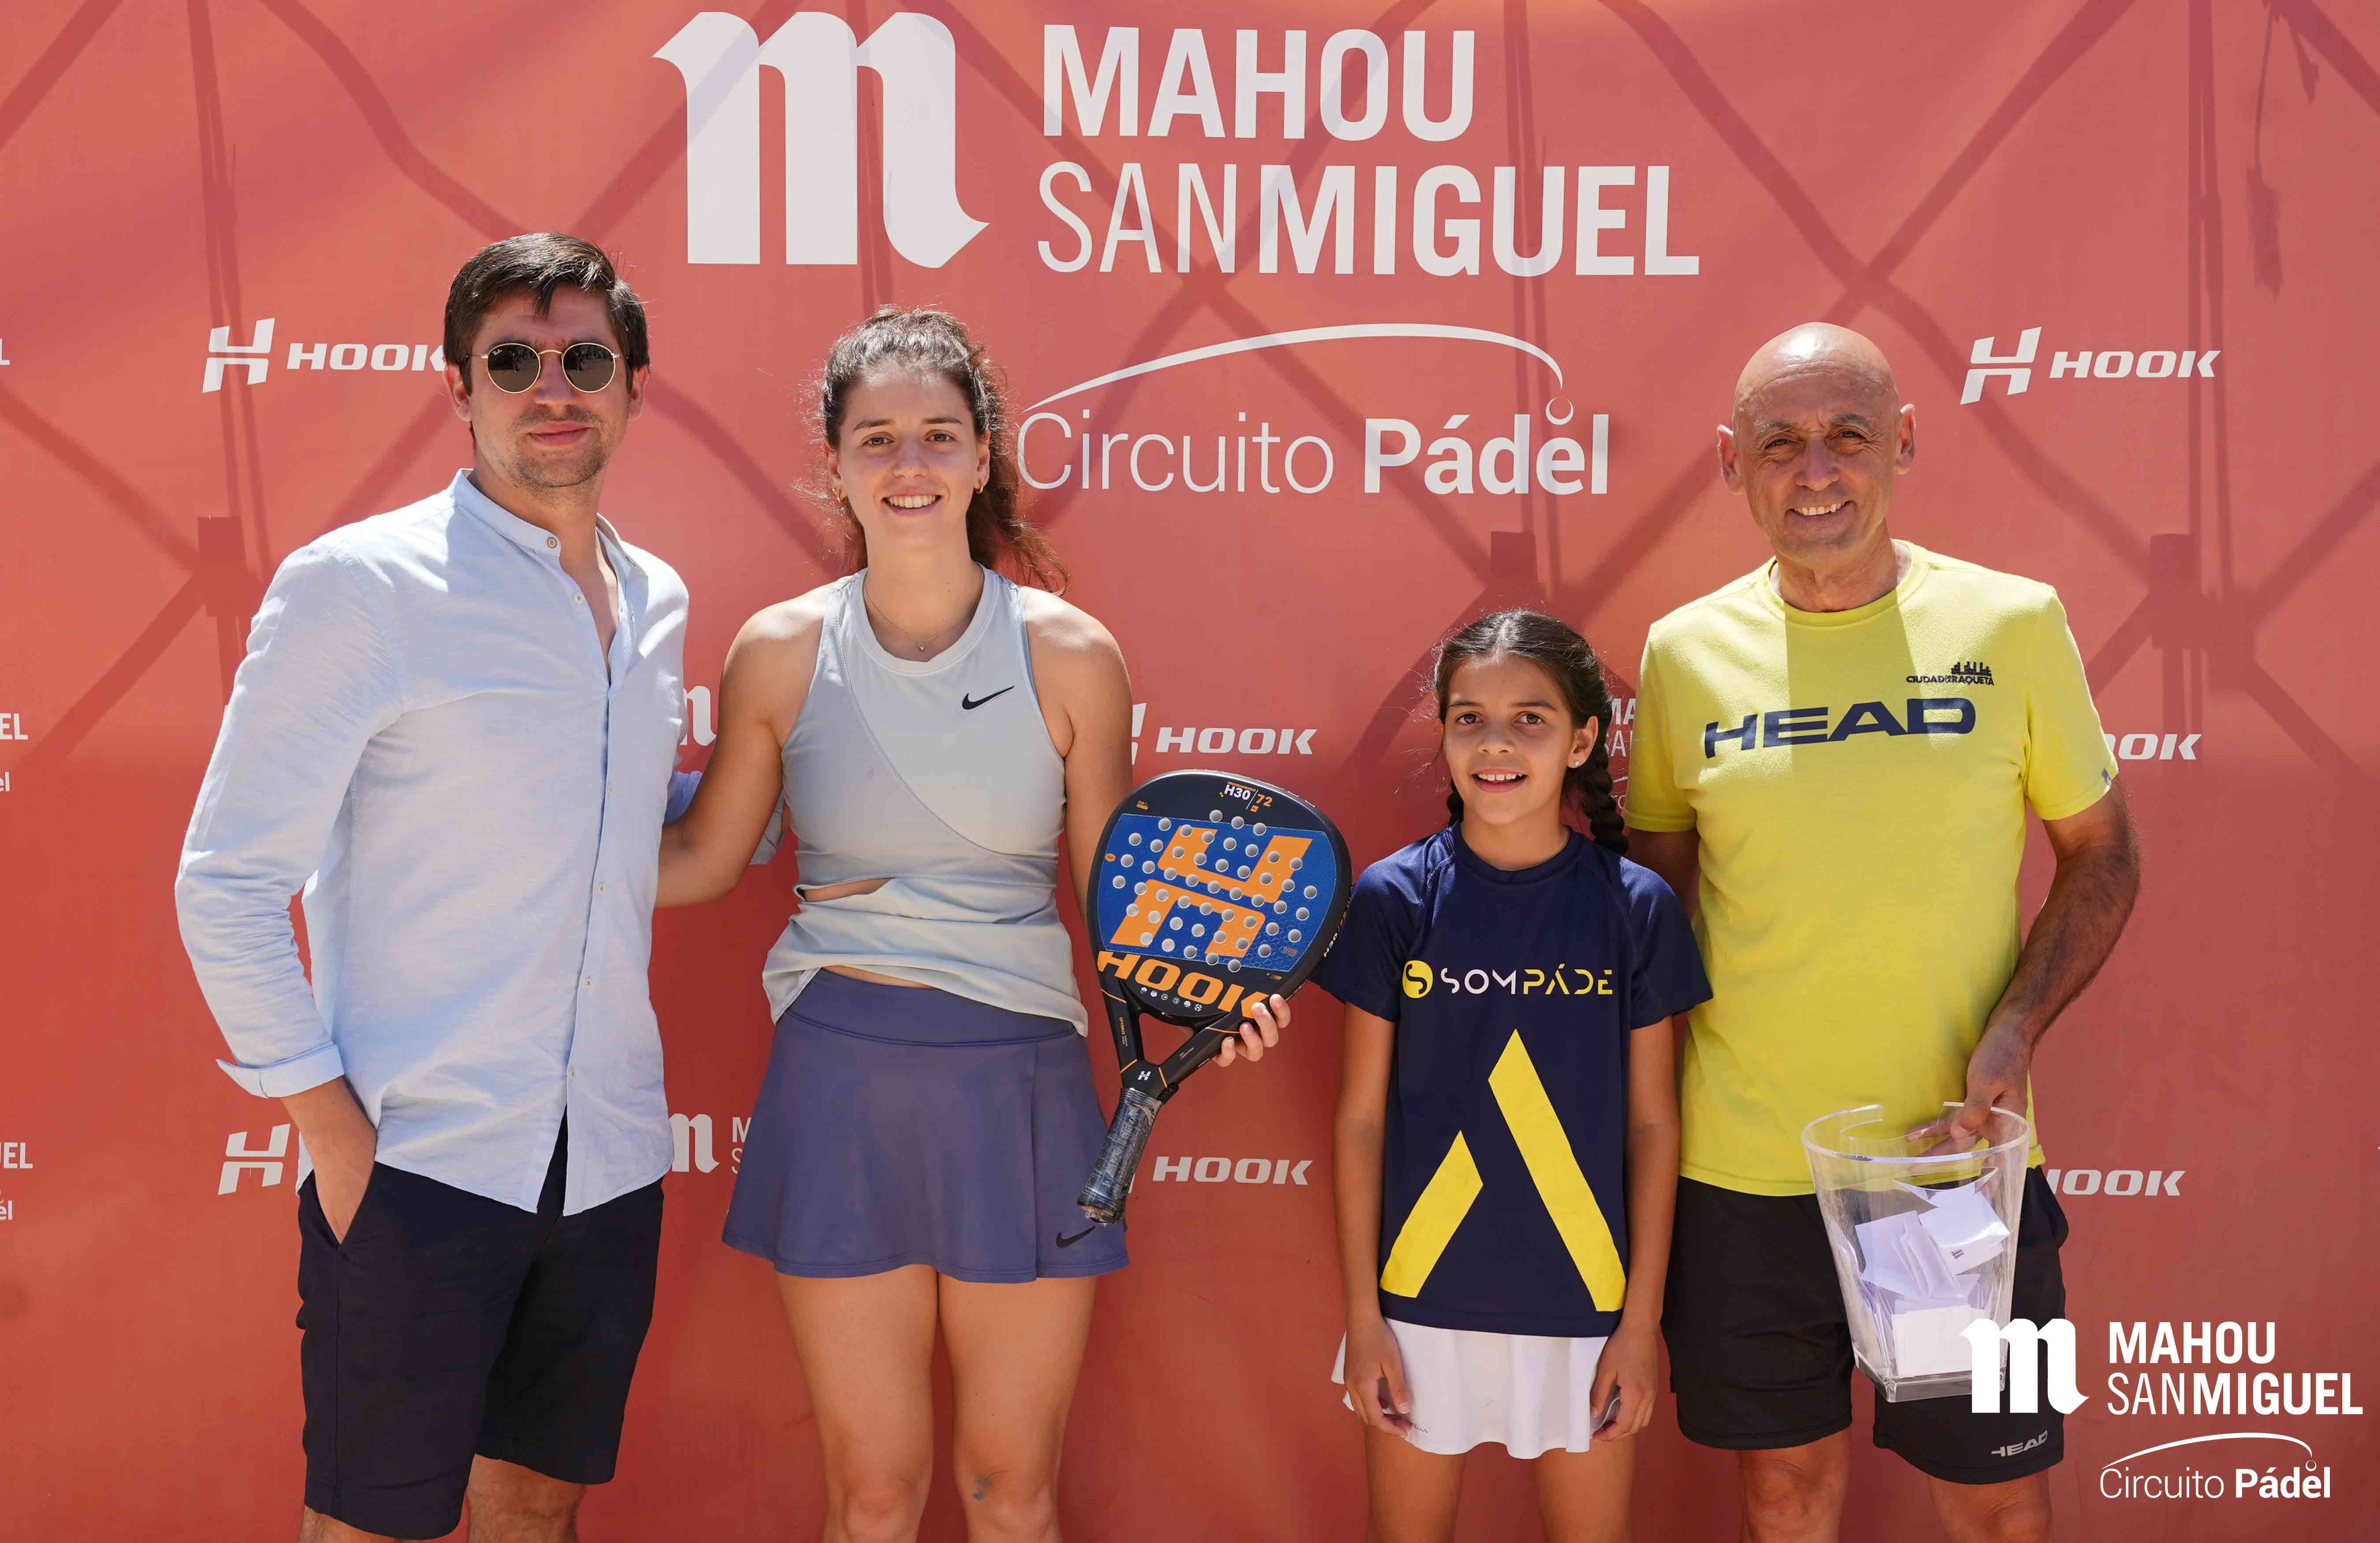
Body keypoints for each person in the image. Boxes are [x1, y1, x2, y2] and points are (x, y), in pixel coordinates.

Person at [656, 306, 1287, 1543]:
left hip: (1022, 1085)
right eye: (878, 438)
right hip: (838, 1084)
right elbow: (701, 861)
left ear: (985, 454)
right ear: (836, 464)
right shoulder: (778, 651)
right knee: (874, 1499)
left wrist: (1220, 991)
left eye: (940, 435)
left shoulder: (1073, 654)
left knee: (1012, 1493)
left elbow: (1120, 906)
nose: (910, 464)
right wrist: (518, 853)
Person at [174, 235, 684, 1543]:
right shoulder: (361, 585)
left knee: (538, 1512)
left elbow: (614, 818)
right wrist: (335, 1138)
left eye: (585, 361)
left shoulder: (657, 600)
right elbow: (228, 883)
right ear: (458, 385)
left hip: (610, 1157)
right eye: (512, 361)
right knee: (369, 1530)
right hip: (419, 1161)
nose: (551, 388)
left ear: (636, 385)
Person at [1625, 323, 2142, 1543]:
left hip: (1950, 1165)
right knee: (1785, 1498)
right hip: (1746, 1173)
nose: (1816, 472)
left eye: (1848, 436)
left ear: (1904, 442)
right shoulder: (1683, 655)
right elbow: (1654, 905)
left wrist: (2013, 1036)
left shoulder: (2013, 623)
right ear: (1731, 462)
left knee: (1998, 1503)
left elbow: (2103, 853)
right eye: (1780, 443)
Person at [1320, 611, 1707, 1543]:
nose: (1495, 744)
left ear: (1582, 740)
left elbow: (1653, 1125)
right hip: (1418, 1302)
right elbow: (1361, 1119)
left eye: (1530, 719)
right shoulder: (1394, 897)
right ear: (1445, 735)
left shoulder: (1636, 907)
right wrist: (1364, 1319)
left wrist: (1640, 1325)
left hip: (1588, 1305)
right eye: (1469, 719)